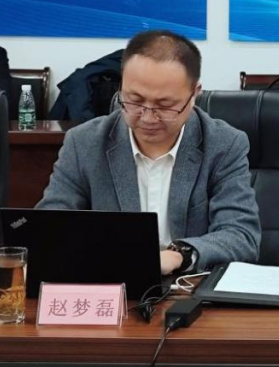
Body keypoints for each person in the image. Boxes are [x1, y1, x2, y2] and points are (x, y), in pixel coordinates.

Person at [37, 30, 261, 275]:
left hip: (188, 287)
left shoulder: (224, 145)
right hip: (113, 282)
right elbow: (49, 228)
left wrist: (178, 256)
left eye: (165, 106)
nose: (148, 117)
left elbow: (241, 235)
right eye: (134, 100)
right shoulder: (84, 143)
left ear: (194, 94)